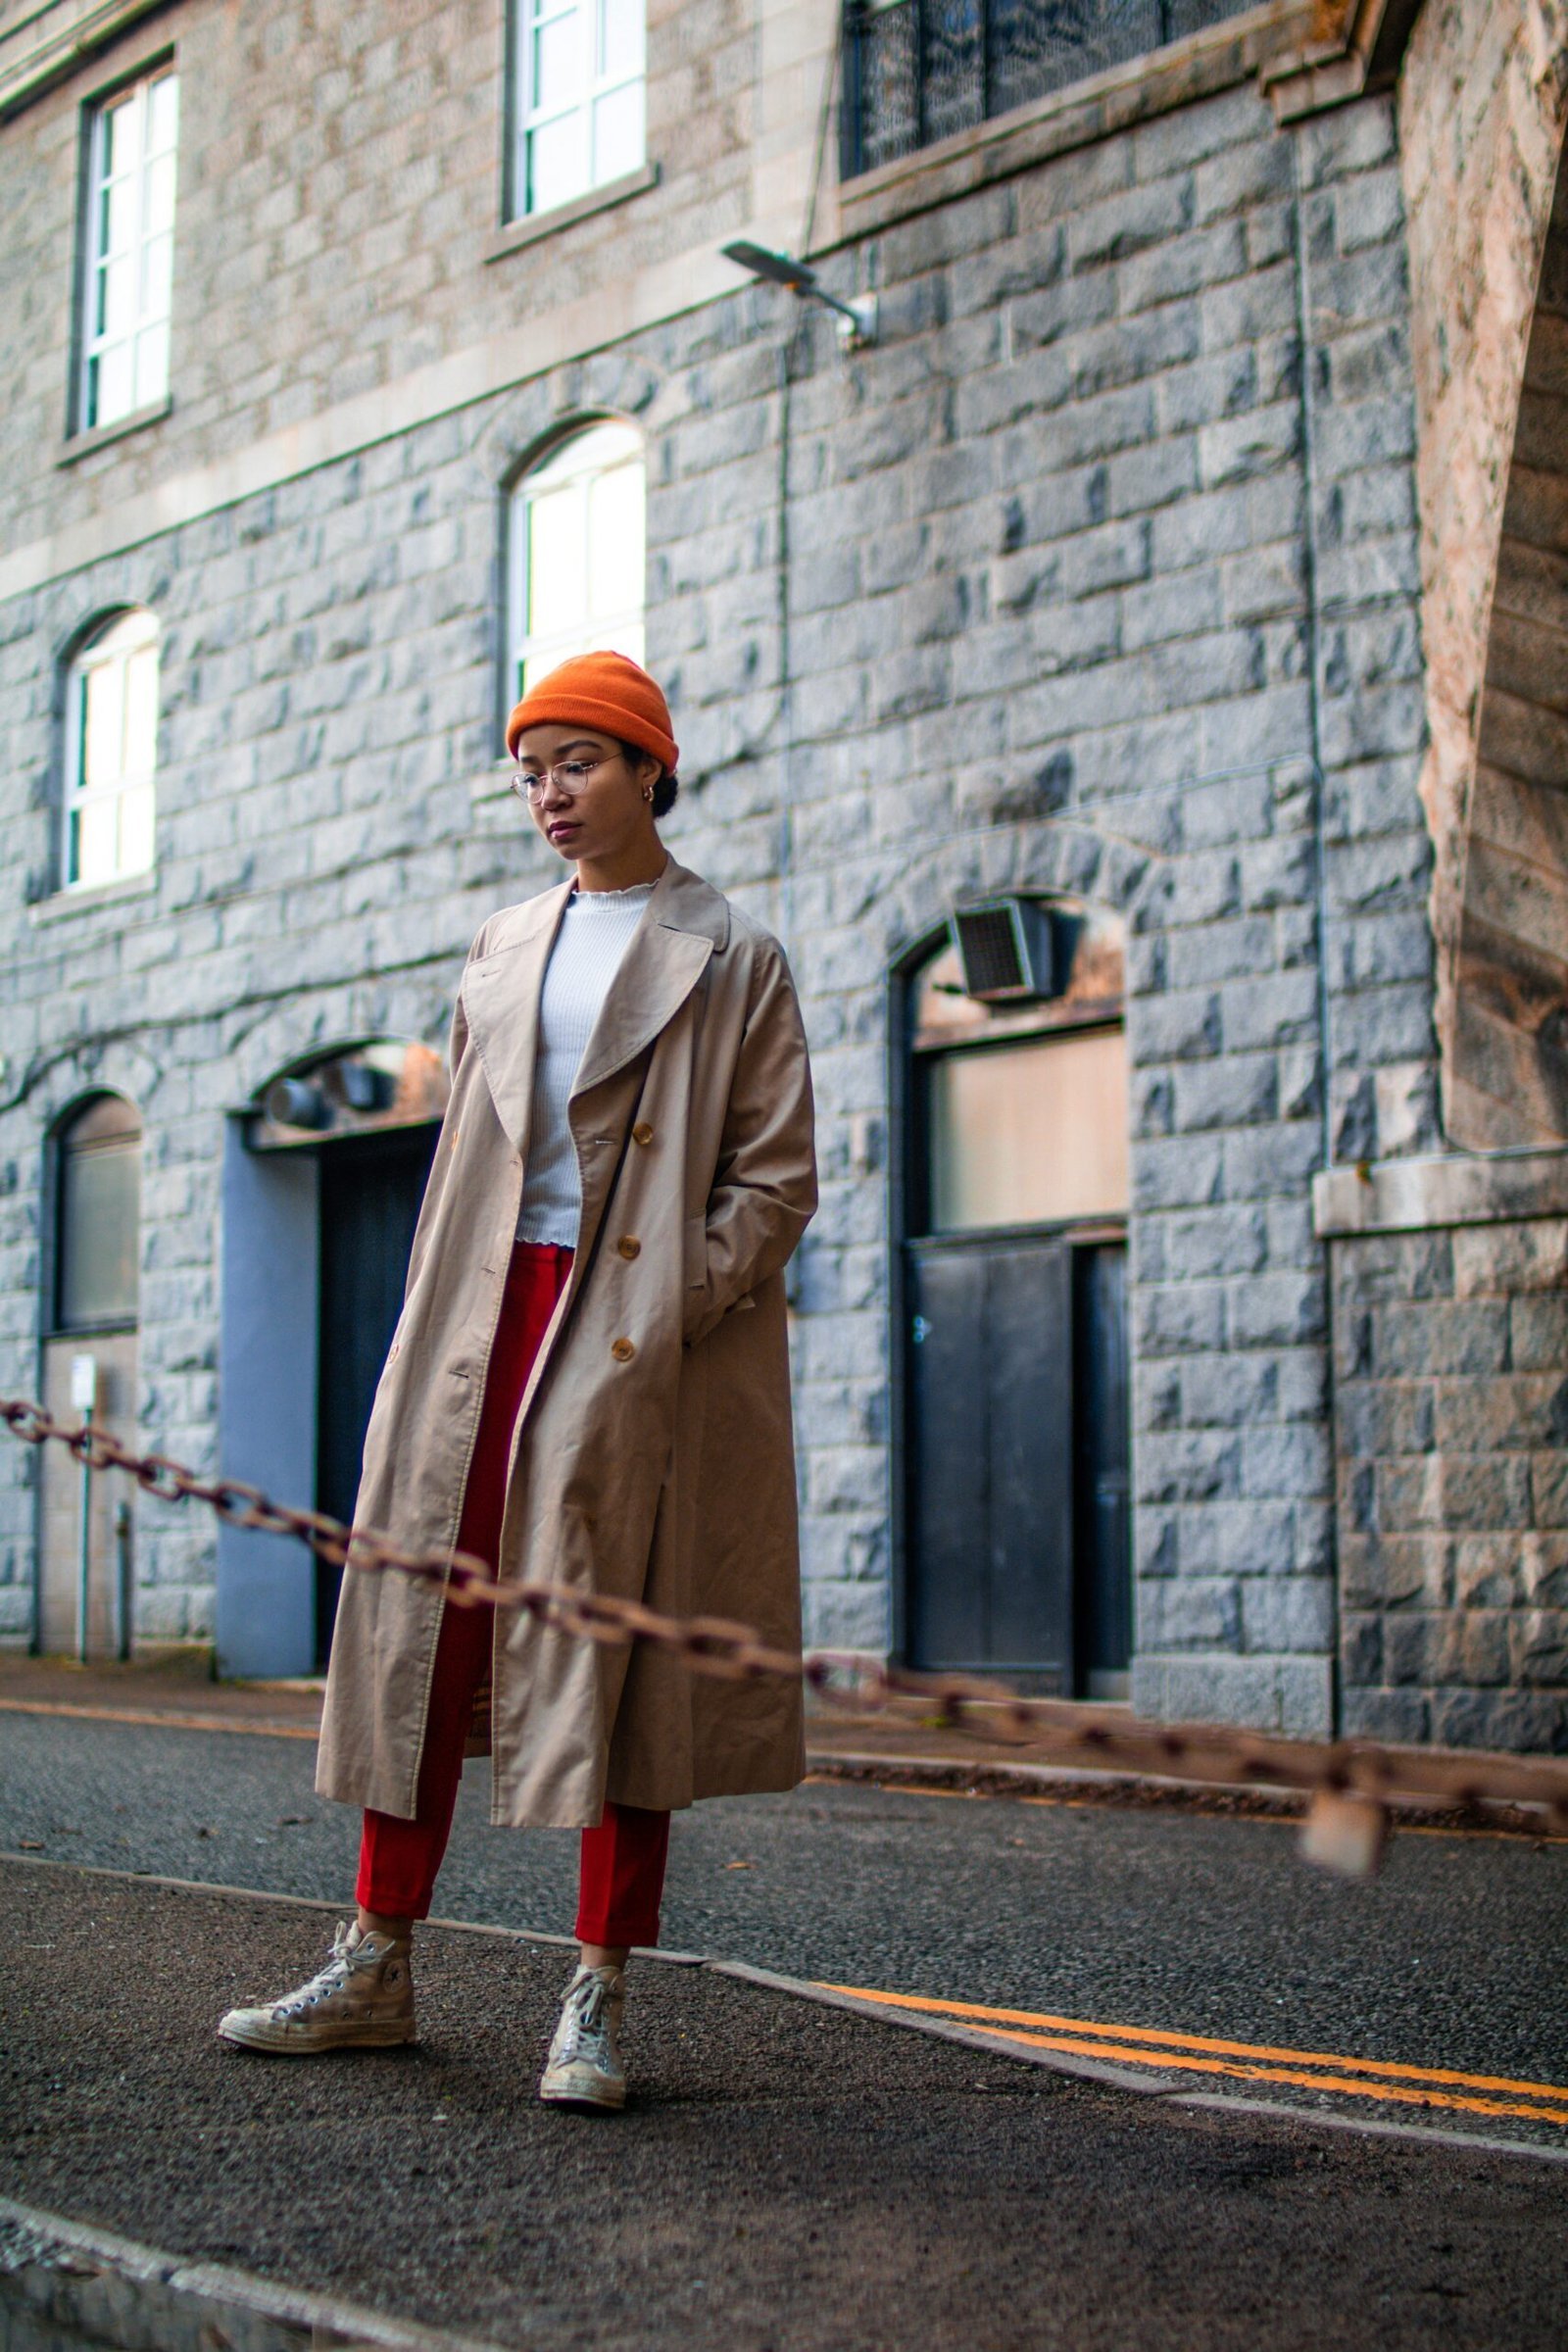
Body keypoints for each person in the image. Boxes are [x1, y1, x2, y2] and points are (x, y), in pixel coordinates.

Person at [218, 652, 817, 2110]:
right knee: (424, 1628)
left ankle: (596, 1995)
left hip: (630, 1339)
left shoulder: (731, 954)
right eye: (530, 770)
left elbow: (780, 1179)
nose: (550, 794)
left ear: (649, 770)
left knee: (628, 1655)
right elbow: (462, 1169)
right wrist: (427, 1322)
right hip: (482, 1322)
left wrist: (662, 1303)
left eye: (580, 763)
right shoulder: (498, 944)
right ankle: (375, 1959)